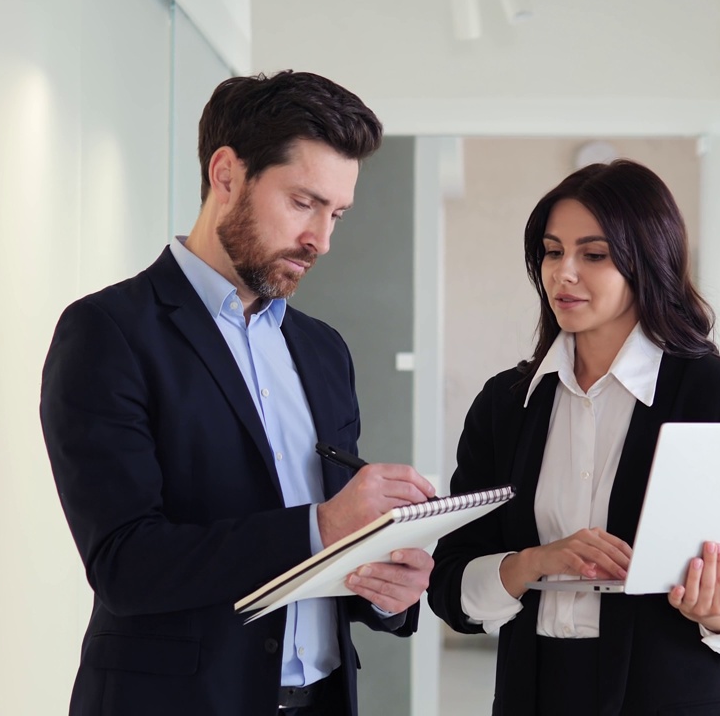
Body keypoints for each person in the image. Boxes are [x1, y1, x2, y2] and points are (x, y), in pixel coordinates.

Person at [40, 71, 436, 716]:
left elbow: (326, 550)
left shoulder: (323, 349)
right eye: (304, 202)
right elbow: (125, 564)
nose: (322, 239)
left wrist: (385, 588)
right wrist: (324, 525)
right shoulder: (108, 332)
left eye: (336, 213)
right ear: (226, 175)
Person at [427, 159, 720, 716]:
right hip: (534, 694)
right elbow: (450, 587)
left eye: (593, 255)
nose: (563, 272)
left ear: (647, 262)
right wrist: (531, 562)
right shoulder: (505, 405)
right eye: (552, 251)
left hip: (674, 697)